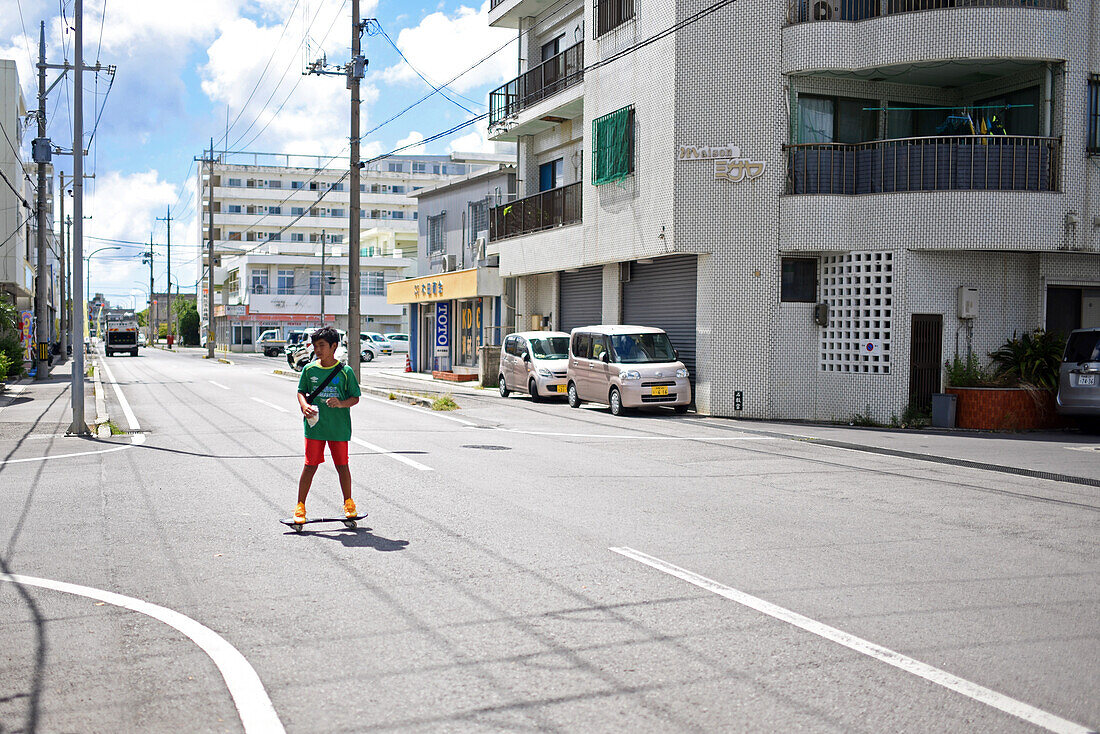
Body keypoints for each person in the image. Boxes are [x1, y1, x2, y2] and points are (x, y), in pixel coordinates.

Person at [295, 326, 361, 524]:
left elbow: (355, 398)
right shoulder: (309, 369)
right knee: (309, 466)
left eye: (322, 345)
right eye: (315, 346)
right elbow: (301, 391)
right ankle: (300, 506)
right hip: (315, 427)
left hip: (338, 428)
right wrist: (304, 405)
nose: (317, 349)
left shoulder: (345, 371)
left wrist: (341, 403)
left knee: (342, 466)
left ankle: (349, 503)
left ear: (334, 346)